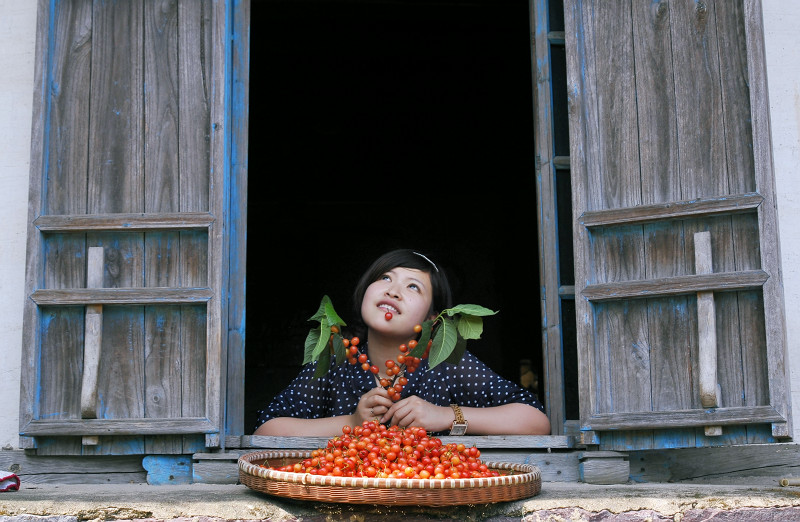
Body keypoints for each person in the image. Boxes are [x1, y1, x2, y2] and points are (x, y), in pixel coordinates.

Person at [253, 249, 550, 437]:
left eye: (413, 287)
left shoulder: (443, 363)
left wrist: (445, 415)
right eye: (385, 278)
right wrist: (354, 421)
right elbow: (266, 430)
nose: (393, 291)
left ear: (433, 317)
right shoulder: (338, 359)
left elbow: (536, 422)